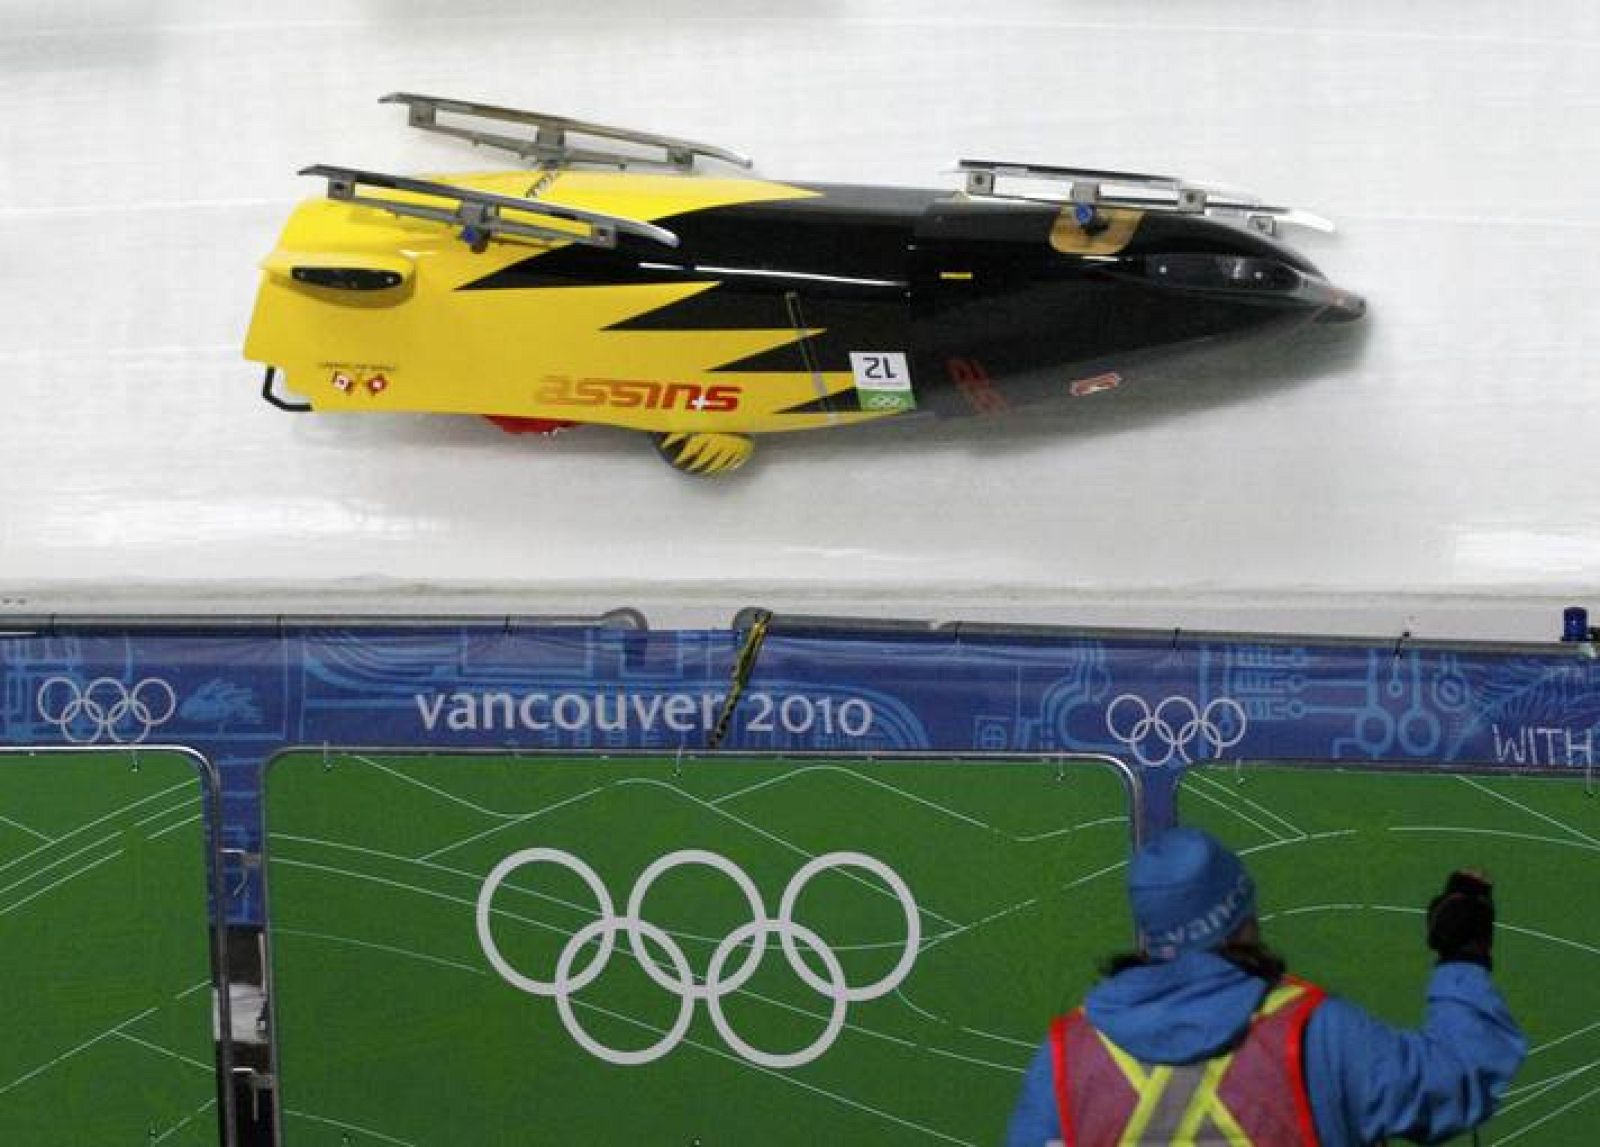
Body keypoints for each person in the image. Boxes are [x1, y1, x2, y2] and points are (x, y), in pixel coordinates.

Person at [1006, 827, 1525, 1146]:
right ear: (1241, 919)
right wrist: (1464, 956)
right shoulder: (1316, 1034)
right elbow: (1455, 1086)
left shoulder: (1066, 1058)